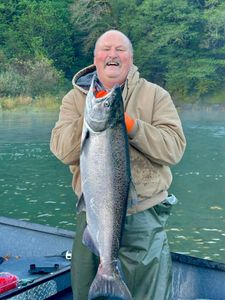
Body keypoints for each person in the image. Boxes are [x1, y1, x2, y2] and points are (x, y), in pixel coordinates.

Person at [50, 30, 186, 300]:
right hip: (92, 212)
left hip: (145, 212)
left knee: (150, 295)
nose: (113, 54)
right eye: (106, 49)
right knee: (84, 290)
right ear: (95, 58)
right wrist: (93, 115)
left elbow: (174, 149)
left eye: (120, 49)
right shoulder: (74, 100)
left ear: (130, 58)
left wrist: (130, 125)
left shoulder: (155, 95)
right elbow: (63, 151)